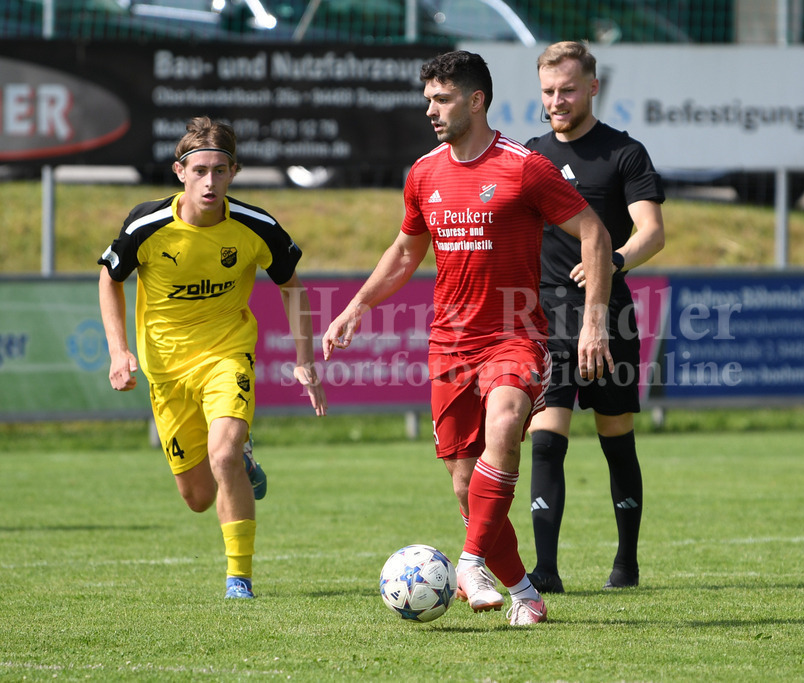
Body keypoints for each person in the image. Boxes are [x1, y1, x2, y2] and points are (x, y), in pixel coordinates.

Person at [321, 50, 613, 626]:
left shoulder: (524, 167)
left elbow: (594, 232)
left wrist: (595, 318)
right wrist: (358, 304)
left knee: (505, 423)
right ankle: (525, 592)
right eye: (428, 99)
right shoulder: (424, 172)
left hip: (515, 338)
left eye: (443, 99)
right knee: (465, 485)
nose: (430, 109)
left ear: (476, 101)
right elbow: (406, 252)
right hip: (449, 346)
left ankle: (471, 559)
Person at [98, 116, 327, 599]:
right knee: (199, 498)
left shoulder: (254, 225)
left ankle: (238, 578)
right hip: (166, 370)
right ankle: (240, 461)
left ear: (233, 172)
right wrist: (119, 351)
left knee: (223, 454)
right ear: (180, 172)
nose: (209, 181)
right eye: (199, 170)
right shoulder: (147, 224)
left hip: (227, 355)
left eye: (219, 171)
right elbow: (110, 279)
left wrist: (303, 359)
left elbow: (291, 286)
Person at [523, 41, 666, 593]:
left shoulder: (624, 153)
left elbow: (651, 230)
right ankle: (547, 570)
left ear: (592, 88)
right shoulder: (529, 154)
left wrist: (615, 260)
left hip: (610, 318)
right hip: (544, 318)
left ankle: (626, 564)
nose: (557, 101)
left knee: (616, 439)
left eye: (567, 90)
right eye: (548, 91)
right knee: (545, 437)